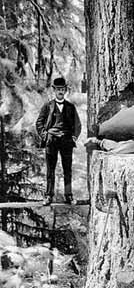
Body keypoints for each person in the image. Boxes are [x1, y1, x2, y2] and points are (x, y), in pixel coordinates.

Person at [36, 77, 81, 205]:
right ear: (54, 91)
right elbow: (39, 123)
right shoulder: (47, 106)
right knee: (50, 170)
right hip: (52, 141)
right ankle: (48, 196)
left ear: (65, 90)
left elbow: (78, 124)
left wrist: (74, 137)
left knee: (67, 169)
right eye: (58, 89)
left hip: (66, 141)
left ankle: (69, 195)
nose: (60, 91)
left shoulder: (71, 107)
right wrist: (45, 136)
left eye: (62, 89)